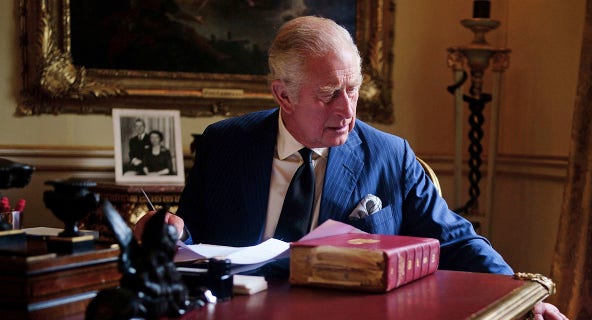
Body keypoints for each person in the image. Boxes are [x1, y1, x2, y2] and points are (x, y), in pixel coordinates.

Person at [135, 16, 567, 320]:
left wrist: (522, 297)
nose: (347, 110)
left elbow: (455, 239)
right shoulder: (225, 144)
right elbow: (193, 237)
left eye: (353, 90)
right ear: (283, 95)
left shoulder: (389, 155)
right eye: (328, 94)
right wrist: (167, 230)